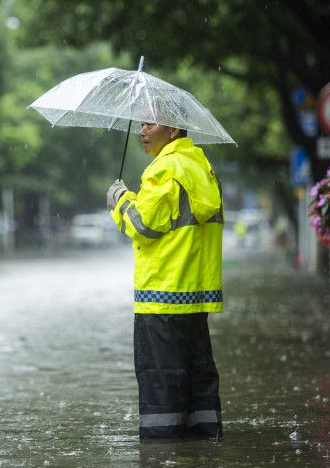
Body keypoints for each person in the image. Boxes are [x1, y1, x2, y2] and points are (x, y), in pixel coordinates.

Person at [107, 121, 224, 440]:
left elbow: (142, 225)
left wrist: (119, 199)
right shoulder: (203, 167)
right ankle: (205, 445)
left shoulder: (164, 169)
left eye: (149, 124)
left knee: (161, 383)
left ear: (174, 131)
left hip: (160, 295)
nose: (142, 131)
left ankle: (163, 451)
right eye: (141, 124)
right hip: (194, 297)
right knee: (197, 379)